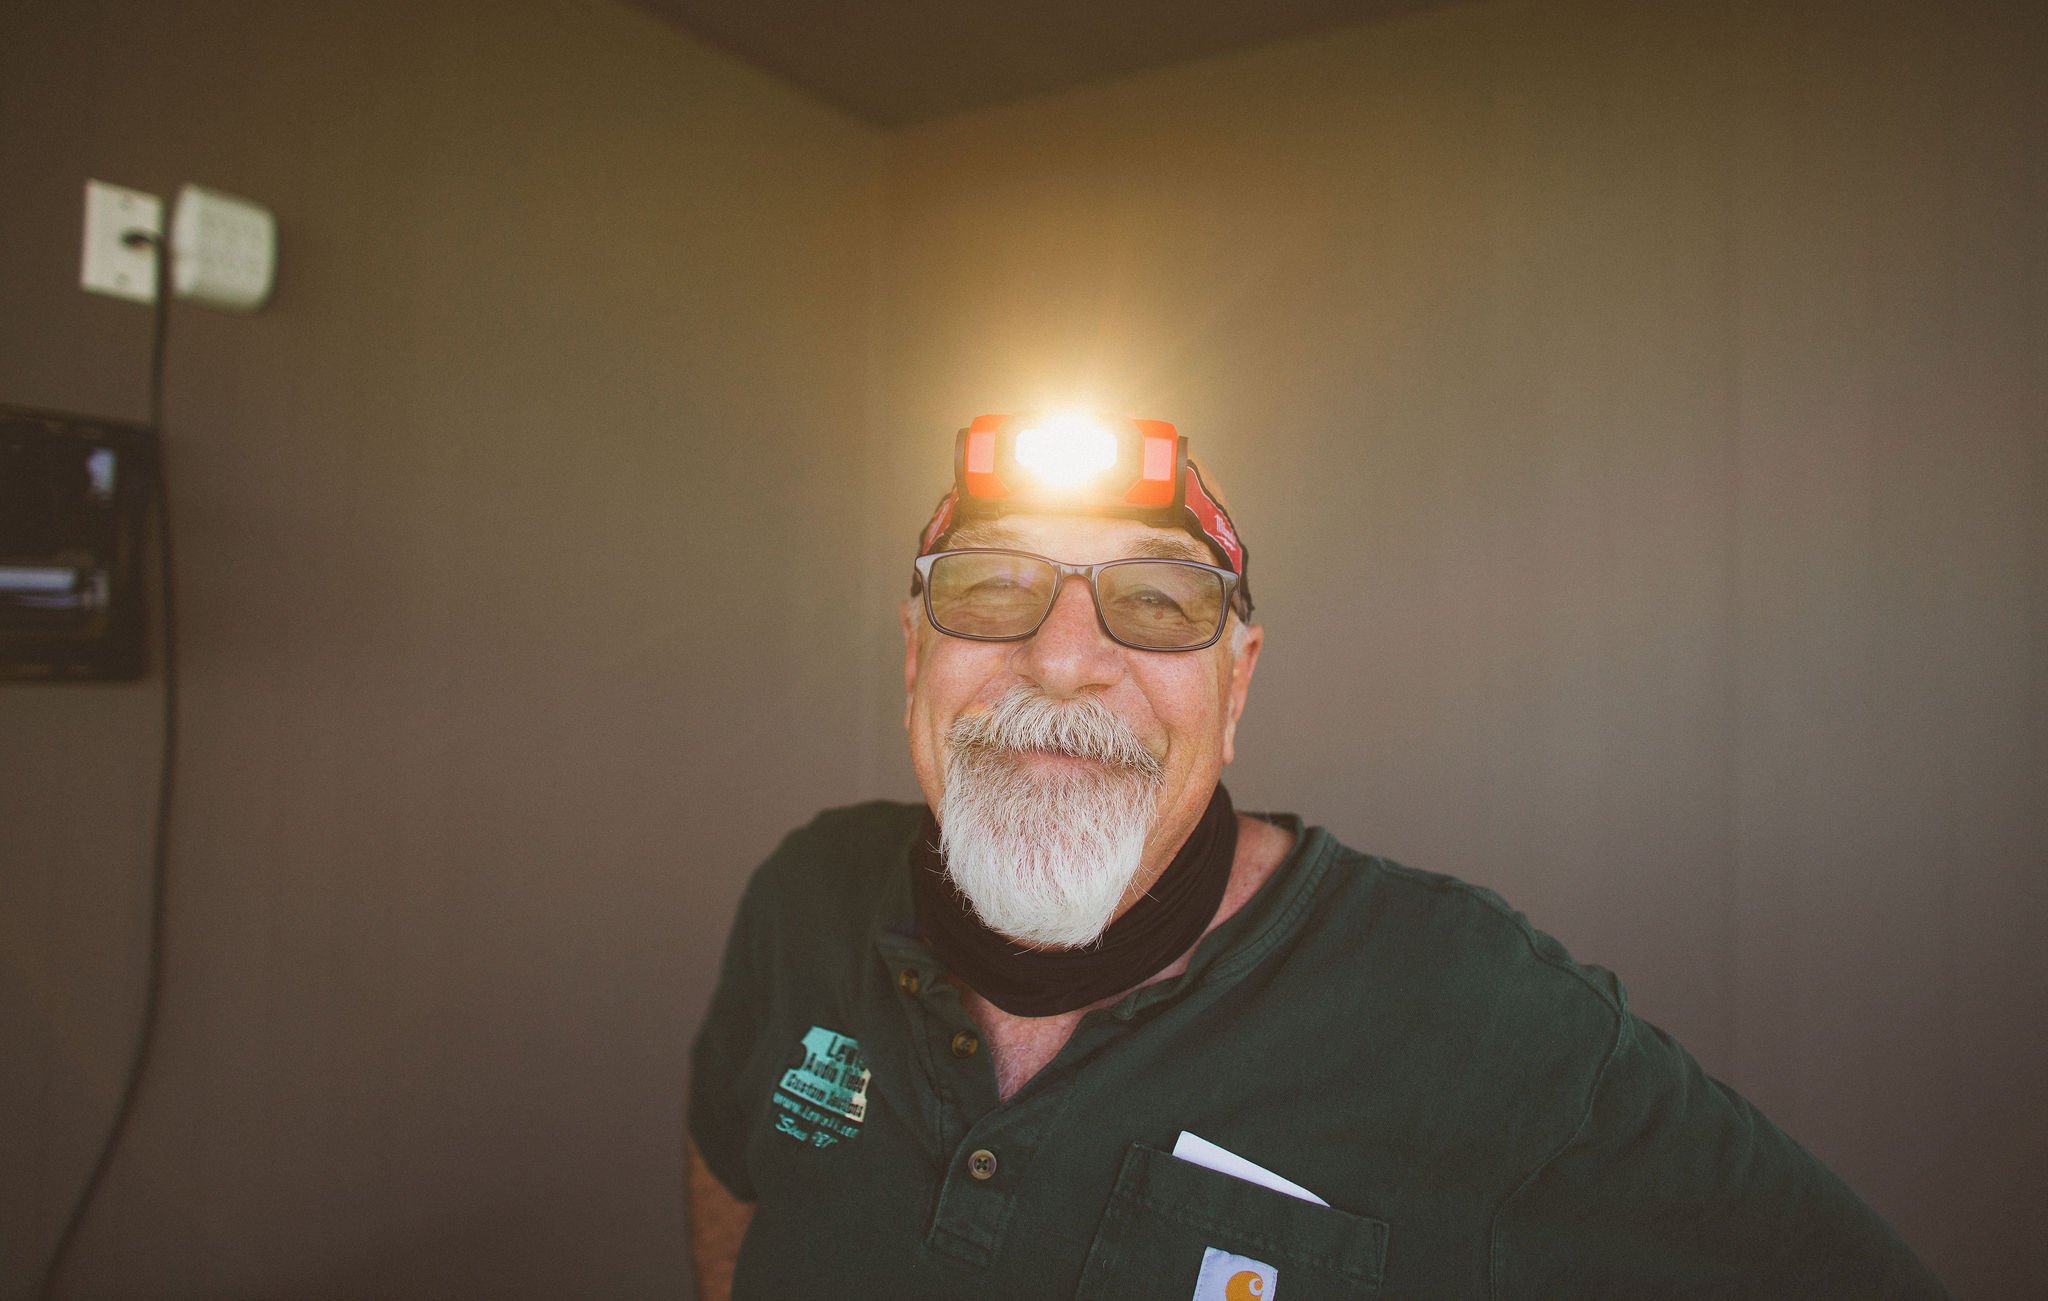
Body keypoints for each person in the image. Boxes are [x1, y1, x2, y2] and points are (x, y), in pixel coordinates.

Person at [685, 413, 1948, 1300]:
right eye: (986, 588)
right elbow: (731, 1168)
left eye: (1160, 603)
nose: (1062, 658)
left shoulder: (1476, 1013)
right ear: (915, 663)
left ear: (1234, 691)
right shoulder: (807, 895)